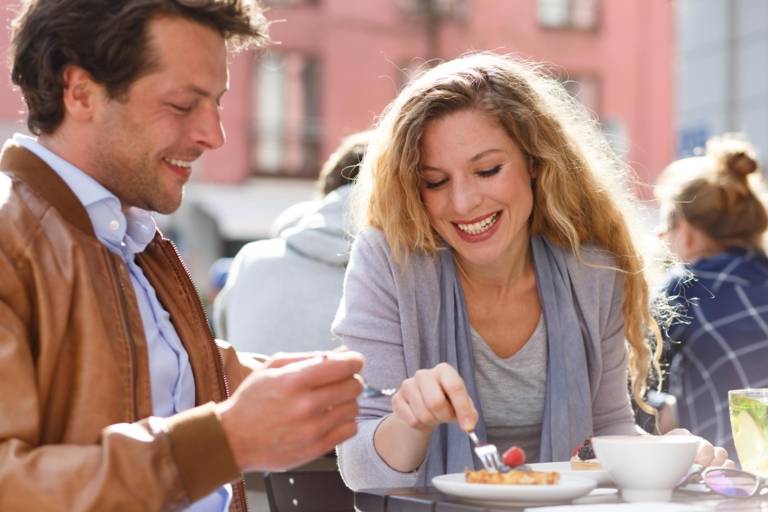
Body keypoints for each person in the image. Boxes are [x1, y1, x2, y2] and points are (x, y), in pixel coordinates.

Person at [0, 1, 363, 511]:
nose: (212, 135)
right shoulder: (12, 241)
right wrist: (225, 441)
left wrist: (368, 388)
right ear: (80, 92)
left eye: (215, 102)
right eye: (182, 104)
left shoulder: (128, 238)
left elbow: (187, 376)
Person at [332, 53, 732, 491]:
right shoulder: (390, 260)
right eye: (435, 181)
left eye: (487, 170)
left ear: (537, 164)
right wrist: (412, 421)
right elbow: (359, 470)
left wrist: (667, 454)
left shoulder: (591, 266)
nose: (463, 203)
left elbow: (607, 430)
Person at [655, 134, 768, 458]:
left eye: (667, 225)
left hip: (729, 475)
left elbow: (627, 376)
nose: (662, 236)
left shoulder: (687, 285)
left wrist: (665, 409)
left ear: (687, 231)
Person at [214, 131, 369, 352]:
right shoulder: (406, 269)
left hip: (253, 385)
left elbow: (225, 349)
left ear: (325, 196)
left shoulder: (251, 260)